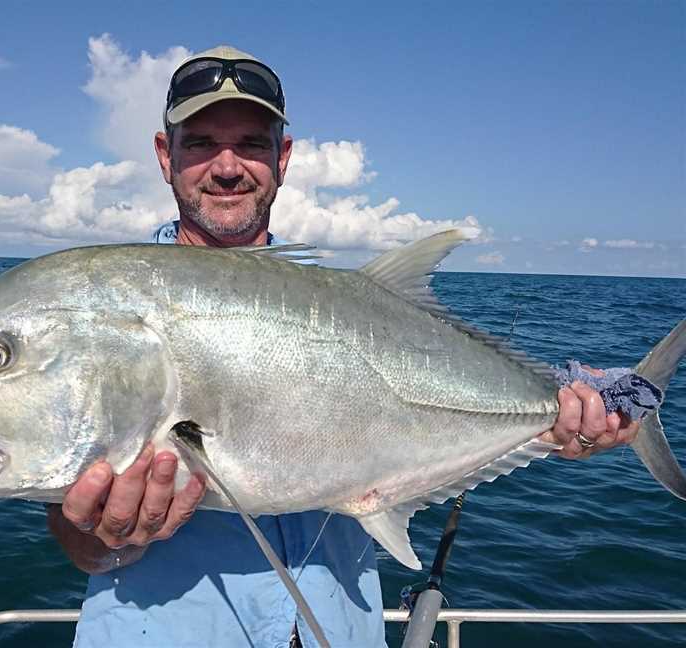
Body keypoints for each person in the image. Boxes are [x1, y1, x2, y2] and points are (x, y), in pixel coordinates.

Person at [46, 45, 640, 647]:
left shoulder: (354, 307)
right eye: (200, 143)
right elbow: (83, 550)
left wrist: (555, 423)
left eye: (251, 143)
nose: (227, 167)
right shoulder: (112, 314)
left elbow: (440, 428)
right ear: (163, 154)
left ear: (283, 157)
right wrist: (107, 533)